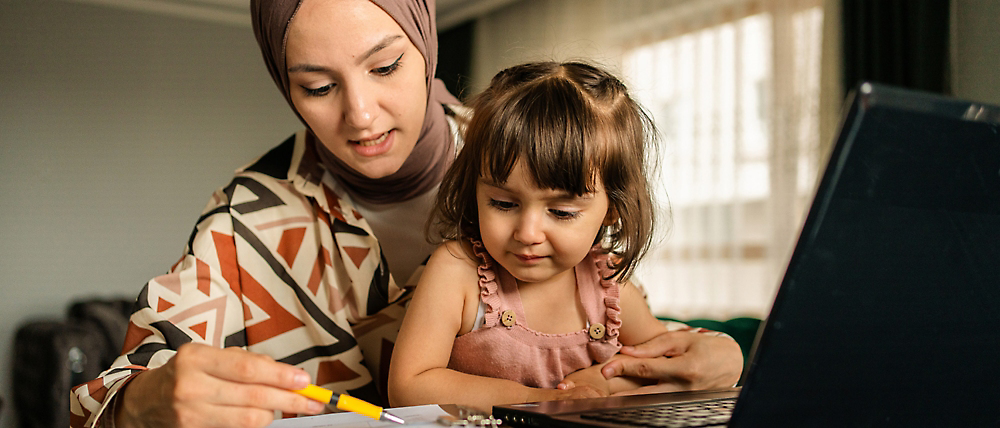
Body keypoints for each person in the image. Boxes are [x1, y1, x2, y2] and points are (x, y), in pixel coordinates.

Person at [68, 0, 742, 427]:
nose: (360, 116)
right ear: (285, 85)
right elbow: (109, 393)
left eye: (385, 67)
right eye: (319, 86)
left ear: (426, 43)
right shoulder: (248, 223)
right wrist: (137, 408)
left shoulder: (523, 144)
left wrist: (713, 355)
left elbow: (610, 325)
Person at [388, 61, 738, 411]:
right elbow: (410, 386)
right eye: (502, 203)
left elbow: (663, 365)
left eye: (562, 212)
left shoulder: (608, 286)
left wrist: (601, 380)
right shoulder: (457, 271)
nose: (527, 233)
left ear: (612, 209)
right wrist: (542, 401)